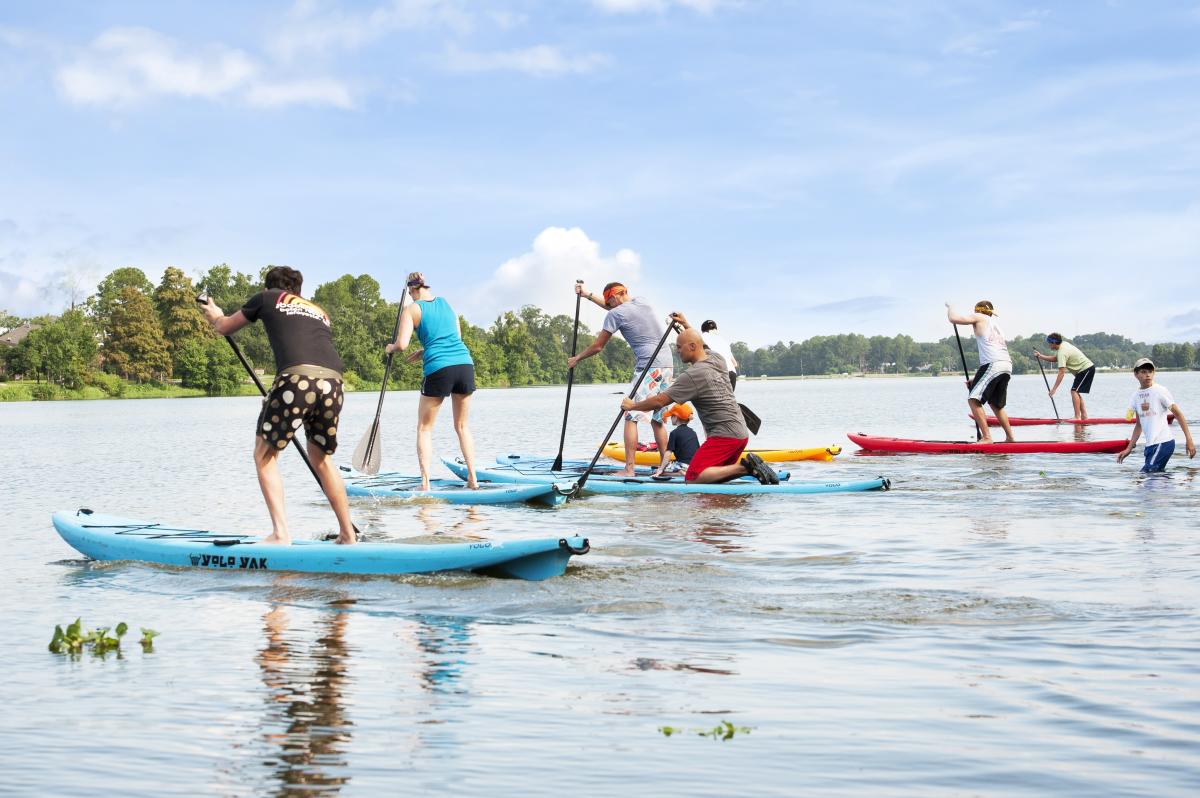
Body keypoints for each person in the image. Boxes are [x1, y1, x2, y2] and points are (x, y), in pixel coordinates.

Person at [202, 266, 356, 545]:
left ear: (268, 287)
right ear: (299, 292)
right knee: (322, 458)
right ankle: (348, 534)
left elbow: (224, 327)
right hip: (334, 384)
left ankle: (281, 534)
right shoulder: (319, 311)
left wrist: (214, 315)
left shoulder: (267, 297)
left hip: (296, 381)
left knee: (264, 455)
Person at [622, 314, 778, 484]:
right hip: (741, 433)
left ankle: (746, 466)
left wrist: (633, 405)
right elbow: (702, 345)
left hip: (724, 436)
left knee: (693, 476)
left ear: (692, 347)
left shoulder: (692, 375)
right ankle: (750, 470)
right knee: (716, 476)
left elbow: (660, 401)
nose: (677, 351)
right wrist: (685, 324)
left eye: (679, 347)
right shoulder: (716, 359)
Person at [569, 282, 674, 476]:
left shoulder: (614, 314)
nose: (609, 306)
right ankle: (664, 466)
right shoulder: (643, 301)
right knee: (657, 419)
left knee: (630, 413)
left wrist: (577, 358)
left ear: (613, 298)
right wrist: (587, 295)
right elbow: (614, 306)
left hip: (648, 366)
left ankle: (629, 469)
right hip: (667, 364)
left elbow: (598, 346)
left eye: (609, 301)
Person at [386, 272, 478, 491]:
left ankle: (425, 484)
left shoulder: (412, 309)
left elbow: (402, 345)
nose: (410, 297)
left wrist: (390, 348)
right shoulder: (446, 304)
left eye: (410, 293)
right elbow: (455, 337)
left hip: (439, 369)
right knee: (462, 426)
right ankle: (473, 480)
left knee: (424, 428)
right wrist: (425, 349)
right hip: (465, 364)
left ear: (413, 289)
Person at [946, 300, 1015, 444]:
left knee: (973, 399)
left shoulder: (979, 317)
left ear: (979, 311)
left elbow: (953, 319)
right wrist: (977, 378)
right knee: (996, 404)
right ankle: (1010, 438)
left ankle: (987, 438)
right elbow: (990, 353)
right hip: (1006, 365)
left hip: (993, 364)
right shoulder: (997, 326)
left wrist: (951, 306)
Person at [1117, 358, 1195, 472]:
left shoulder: (1160, 391)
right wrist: (1129, 448)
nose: (1148, 375)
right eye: (1144, 372)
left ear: (1154, 373)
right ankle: (1185, 477)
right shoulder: (1135, 396)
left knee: (1146, 474)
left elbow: (1178, 414)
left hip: (1164, 442)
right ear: (1136, 374)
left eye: (1150, 371)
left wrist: (1189, 440)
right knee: (1155, 479)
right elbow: (1139, 425)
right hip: (1149, 446)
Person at [1033, 333, 1095, 420]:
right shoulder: (1063, 345)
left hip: (1086, 369)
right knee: (1075, 391)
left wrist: (1054, 389)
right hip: (1084, 370)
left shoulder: (1062, 351)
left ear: (1054, 342)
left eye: (1049, 343)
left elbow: (1061, 372)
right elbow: (1056, 358)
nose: (1049, 345)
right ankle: (1084, 417)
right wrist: (1040, 356)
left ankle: (1077, 417)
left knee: (1074, 391)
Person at [700, 320, 739, 389]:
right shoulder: (723, 341)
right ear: (716, 330)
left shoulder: (703, 336)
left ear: (703, 330)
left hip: (718, 374)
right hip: (732, 375)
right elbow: (735, 364)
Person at [663, 403, 699, 470]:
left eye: (671, 416)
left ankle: (680, 472)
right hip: (694, 466)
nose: (670, 418)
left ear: (675, 417)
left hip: (683, 466)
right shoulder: (693, 433)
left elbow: (668, 453)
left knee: (660, 469)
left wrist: (661, 469)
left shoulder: (674, 433)